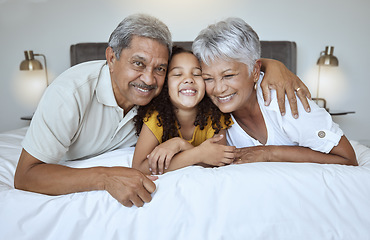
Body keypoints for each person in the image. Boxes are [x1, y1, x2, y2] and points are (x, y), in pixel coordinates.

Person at [13, 13, 312, 208]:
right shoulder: (71, 93)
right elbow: (26, 176)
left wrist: (274, 65)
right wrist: (105, 177)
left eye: (160, 69)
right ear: (111, 57)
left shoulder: (161, 98)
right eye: (138, 63)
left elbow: (225, 69)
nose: (148, 79)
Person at [192, 17, 357, 166]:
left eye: (228, 75)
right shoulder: (206, 111)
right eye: (208, 78)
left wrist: (269, 153)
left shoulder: (284, 101)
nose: (219, 89)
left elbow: (347, 159)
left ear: (255, 71)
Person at [132, 46, 235, 175]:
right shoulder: (156, 118)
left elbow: (219, 159)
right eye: (177, 74)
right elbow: (139, 167)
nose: (188, 79)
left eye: (197, 74)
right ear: (166, 84)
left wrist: (181, 145)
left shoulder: (215, 117)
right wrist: (199, 154)